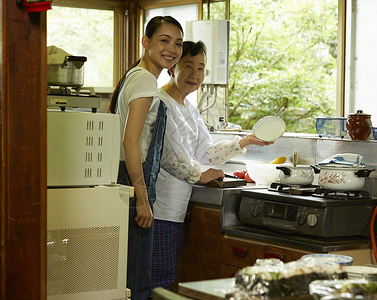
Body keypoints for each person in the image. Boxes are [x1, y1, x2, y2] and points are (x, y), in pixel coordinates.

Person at [151, 41, 273, 290]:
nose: (195, 74)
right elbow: (170, 155)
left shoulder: (190, 108)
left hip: (178, 208)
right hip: (159, 208)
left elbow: (205, 153)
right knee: (157, 281)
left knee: (168, 278)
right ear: (172, 68)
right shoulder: (160, 103)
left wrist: (243, 142)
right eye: (188, 66)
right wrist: (201, 174)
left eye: (201, 67)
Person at [107, 16, 184, 300]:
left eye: (177, 43)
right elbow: (130, 140)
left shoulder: (134, 76)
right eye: (164, 40)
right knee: (136, 278)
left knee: (122, 276)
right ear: (146, 42)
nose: (172, 49)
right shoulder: (145, 82)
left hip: (123, 179)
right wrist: (141, 198)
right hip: (132, 181)